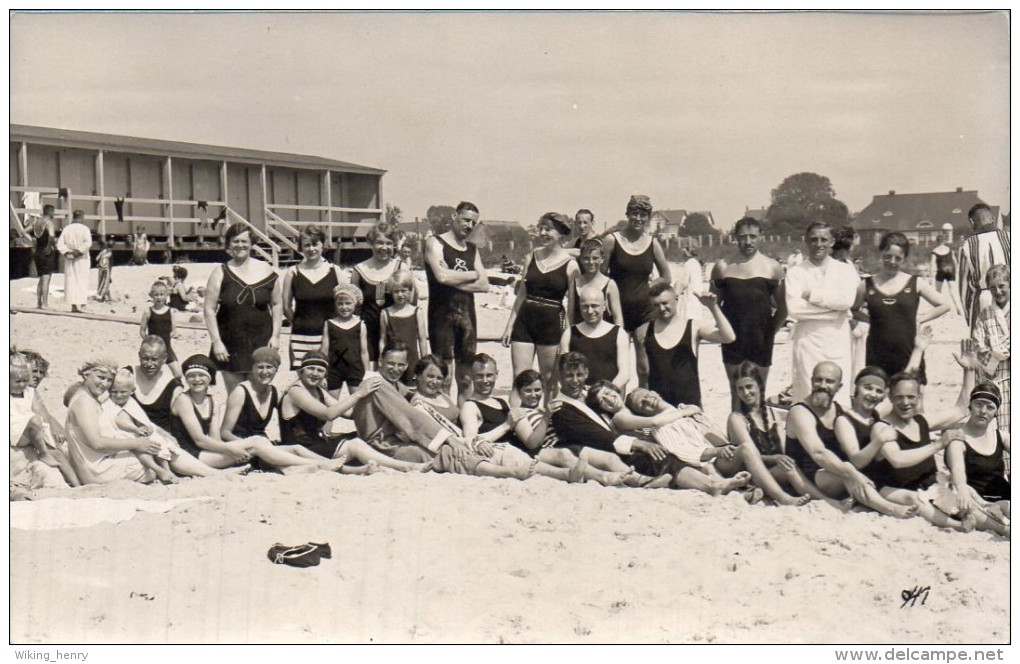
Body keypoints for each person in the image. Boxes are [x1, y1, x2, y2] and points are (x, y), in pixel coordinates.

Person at [169, 353, 345, 474]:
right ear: (185, 378)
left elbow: (215, 437)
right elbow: (199, 439)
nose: (197, 380)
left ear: (210, 379)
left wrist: (233, 450)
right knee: (257, 443)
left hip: (212, 452)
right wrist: (233, 449)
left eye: (202, 375)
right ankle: (319, 464)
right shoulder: (183, 400)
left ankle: (332, 466)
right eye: (191, 376)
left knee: (295, 448)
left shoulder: (212, 400)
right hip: (192, 456)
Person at [586, 381, 756, 497]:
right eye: (603, 400)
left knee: (690, 459)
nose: (609, 399)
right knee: (678, 462)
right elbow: (654, 421)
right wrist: (684, 411)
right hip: (648, 458)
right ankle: (717, 485)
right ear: (601, 407)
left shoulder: (631, 410)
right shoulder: (619, 417)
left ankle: (729, 486)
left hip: (658, 452)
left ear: (615, 389)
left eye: (608, 393)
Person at [868, 363, 981, 532]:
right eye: (899, 397)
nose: (905, 403)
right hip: (892, 489)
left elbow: (961, 410)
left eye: (911, 397)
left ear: (919, 398)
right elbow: (897, 460)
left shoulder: (921, 421)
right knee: (915, 499)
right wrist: (938, 444)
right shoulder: (882, 427)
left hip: (928, 485)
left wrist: (969, 371)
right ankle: (957, 526)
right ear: (890, 397)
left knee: (968, 500)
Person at [275, 350, 425, 473]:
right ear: (300, 372)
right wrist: (359, 393)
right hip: (300, 447)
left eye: (320, 370)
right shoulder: (296, 391)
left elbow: (350, 414)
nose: (315, 373)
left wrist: (377, 403)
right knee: (355, 445)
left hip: (316, 442)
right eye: (310, 369)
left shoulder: (318, 391)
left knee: (359, 436)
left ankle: (383, 463)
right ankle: (403, 466)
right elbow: (329, 414)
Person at [550, 352, 674, 488]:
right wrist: (638, 443)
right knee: (664, 462)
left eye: (579, 375)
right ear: (559, 376)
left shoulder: (591, 393)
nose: (575, 380)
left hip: (622, 442)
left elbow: (620, 408)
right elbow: (597, 437)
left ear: (586, 373)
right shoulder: (560, 409)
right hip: (605, 452)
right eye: (569, 375)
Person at [351, 342, 475, 462]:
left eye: (400, 365)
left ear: (406, 366)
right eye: (391, 363)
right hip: (381, 446)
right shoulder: (377, 384)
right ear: (380, 361)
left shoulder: (392, 383)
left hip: (391, 441)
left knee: (443, 452)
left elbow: (406, 393)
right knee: (440, 455)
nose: (396, 369)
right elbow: (410, 415)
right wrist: (450, 439)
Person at [711, 216, 787, 411]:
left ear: (761, 236)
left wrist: (769, 333)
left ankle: (761, 435)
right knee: (736, 390)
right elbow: (715, 305)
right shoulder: (722, 267)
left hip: (761, 339)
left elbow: (783, 310)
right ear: (735, 237)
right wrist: (724, 333)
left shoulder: (773, 268)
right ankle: (737, 437)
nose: (748, 241)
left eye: (753, 236)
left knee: (758, 391)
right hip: (732, 339)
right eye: (743, 236)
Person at [854, 232, 949, 387]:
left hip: (909, 352)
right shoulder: (866, 285)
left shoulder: (915, 282)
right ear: (881, 253)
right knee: (878, 398)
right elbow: (854, 310)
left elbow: (944, 305)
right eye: (887, 256)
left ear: (904, 258)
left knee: (913, 399)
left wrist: (919, 319)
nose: (892, 262)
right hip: (877, 353)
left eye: (898, 258)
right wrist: (873, 320)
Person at [504, 369, 630, 486]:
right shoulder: (519, 413)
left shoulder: (542, 410)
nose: (533, 395)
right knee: (566, 455)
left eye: (537, 390)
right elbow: (532, 443)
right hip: (544, 451)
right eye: (528, 390)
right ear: (519, 392)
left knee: (609, 458)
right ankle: (603, 477)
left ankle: (638, 479)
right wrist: (546, 417)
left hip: (564, 445)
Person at [501, 212, 579, 400]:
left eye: (548, 229)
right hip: (525, 321)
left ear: (560, 233)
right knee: (520, 379)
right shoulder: (532, 257)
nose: (543, 233)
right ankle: (516, 425)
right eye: (540, 228)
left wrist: (566, 338)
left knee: (549, 381)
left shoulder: (571, 265)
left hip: (551, 324)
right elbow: (521, 293)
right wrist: (510, 325)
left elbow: (571, 307)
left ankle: (548, 424)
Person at [829, 365, 922, 518]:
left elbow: (901, 387)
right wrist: (878, 441)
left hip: (872, 482)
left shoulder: (877, 416)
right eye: (868, 388)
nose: (873, 394)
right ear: (856, 389)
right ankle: (890, 509)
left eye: (879, 391)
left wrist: (918, 349)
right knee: (851, 474)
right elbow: (856, 461)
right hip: (843, 477)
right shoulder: (844, 420)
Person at [784, 221, 861, 404]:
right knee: (806, 391)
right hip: (807, 340)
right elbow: (794, 309)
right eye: (813, 239)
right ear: (806, 241)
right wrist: (835, 312)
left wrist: (812, 295)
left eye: (823, 239)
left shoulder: (845, 270)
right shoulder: (796, 272)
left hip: (837, 338)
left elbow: (846, 301)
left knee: (838, 394)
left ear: (832, 242)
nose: (818, 244)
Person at [783, 361, 876, 510]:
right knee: (849, 477)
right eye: (819, 380)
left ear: (839, 387)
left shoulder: (841, 411)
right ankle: (888, 508)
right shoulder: (800, 412)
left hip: (834, 471)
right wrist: (852, 473)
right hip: (808, 477)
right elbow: (818, 453)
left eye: (830, 382)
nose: (823, 385)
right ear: (812, 381)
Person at [204, 222, 283, 396]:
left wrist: (276, 336)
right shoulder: (220, 272)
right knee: (235, 395)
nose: (240, 245)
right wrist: (217, 342)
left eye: (244, 241)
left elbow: (277, 304)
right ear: (229, 244)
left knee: (259, 392)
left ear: (251, 244)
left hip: (261, 339)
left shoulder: (267, 270)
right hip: (230, 341)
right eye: (235, 241)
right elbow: (209, 309)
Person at [601, 195, 671, 388]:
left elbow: (666, 275)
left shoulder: (652, 243)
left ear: (648, 218)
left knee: (644, 367)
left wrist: (651, 286)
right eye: (634, 213)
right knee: (617, 366)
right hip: (617, 311)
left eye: (643, 215)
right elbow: (600, 276)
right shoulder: (612, 240)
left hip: (644, 311)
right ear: (627, 214)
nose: (638, 219)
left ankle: (643, 401)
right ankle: (615, 407)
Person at [424, 201, 489, 401]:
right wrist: (472, 274)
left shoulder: (472, 248)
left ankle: (464, 420)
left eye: (473, 223)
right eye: (466, 220)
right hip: (441, 316)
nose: (469, 226)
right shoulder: (435, 242)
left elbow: (484, 285)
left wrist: (453, 277)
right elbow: (440, 278)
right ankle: (445, 420)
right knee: (445, 376)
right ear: (454, 216)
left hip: (467, 317)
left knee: (466, 378)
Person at [63, 359, 166, 485]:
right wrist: (136, 444)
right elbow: (97, 443)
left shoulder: (89, 398)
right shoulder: (84, 403)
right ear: (86, 375)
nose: (105, 384)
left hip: (98, 463)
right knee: (149, 466)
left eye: (109, 380)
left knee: (152, 450)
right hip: (97, 471)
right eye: (100, 378)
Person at [726, 361, 813, 506]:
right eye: (740, 389)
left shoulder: (773, 413)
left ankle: (823, 496)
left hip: (773, 471)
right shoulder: (737, 419)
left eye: (749, 387)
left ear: (759, 385)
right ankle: (787, 499)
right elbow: (750, 456)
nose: (746, 393)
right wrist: (776, 458)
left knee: (792, 463)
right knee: (788, 468)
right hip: (753, 474)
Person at [646, 280, 735, 408]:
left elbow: (729, 337)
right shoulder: (645, 331)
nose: (661, 308)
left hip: (690, 406)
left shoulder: (693, 326)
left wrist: (713, 307)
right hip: (658, 408)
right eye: (655, 305)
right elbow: (643, 371)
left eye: (665, 303)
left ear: (676, 299)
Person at [943, 383, 1010, 536]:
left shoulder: (1001, 436)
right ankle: (1007, 531)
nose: (983, 411)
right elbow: (957, 469)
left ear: (996, 413)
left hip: (1002, 498)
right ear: (970, 406)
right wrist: (961, 488)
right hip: (972, 500)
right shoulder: (958, 439)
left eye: (990, 407)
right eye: (978, 404)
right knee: (963, 501)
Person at [281, 226, 345, 366]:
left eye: (315, 244)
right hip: (301, 337)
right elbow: (286, 307)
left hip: (330, 336)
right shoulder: (292, 273)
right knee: (304, 382)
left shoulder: (335, 271)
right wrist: (300, 322)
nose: (311, 249)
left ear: (322, 245)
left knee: (328, 381)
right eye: (307, 245)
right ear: (301, 247)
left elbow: (347, 302)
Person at [10, 358, 77, 489]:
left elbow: (43, 414)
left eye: (24, 380)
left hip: (30, 431)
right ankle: (43, 453)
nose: (21, 384)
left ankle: (77, 484)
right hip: (15, 432)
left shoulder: (29, 392)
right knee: (35, 420)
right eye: (17, 381)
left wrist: (51, 433)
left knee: (58, 453)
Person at [351, 222, 407, 366]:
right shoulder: (359, 270)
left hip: (395, 332)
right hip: (369, 333)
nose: (384, 248)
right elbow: (353, 308)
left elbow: (411, 302)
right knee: (372, 377)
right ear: (371, 243)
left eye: (389, 243)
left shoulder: (400, 268)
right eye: (379, 243)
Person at [559, 286, 629, 389]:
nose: (590, 311)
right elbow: (562, 371)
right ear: (580, 306)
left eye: (594, 306)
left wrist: (605, 391)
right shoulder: (569, 334)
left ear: (604, 306)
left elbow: (625, 373)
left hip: (608, 395)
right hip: (578, 395)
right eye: (585, 306)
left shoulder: (619, 333)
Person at [958, 203, 1010, 331]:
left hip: (983, 299)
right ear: (992, 218)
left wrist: (967, 312)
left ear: (971, 222)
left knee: (983, 344)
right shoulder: (1009, 237)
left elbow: (963, 285)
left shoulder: (968, 245)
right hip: (1008, 293)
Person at [971, 264, 1010, 431]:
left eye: (1002, 286)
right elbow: (978, 344)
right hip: (996, 377)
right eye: (993, 288)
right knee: (999, 427)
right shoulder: (984, 315)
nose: (998, 292)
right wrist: (997, 353)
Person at [379, 270, 428, 384]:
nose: (400, 294)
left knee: (411, 390)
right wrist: (382, 360)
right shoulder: (386, 313)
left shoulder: (417, 312)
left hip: (412, 361)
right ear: (391, 292)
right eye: (396, 291)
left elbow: (422, 339)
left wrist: (424, 362)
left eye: (404, 291)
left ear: (410, 291)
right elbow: (382, 340)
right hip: (393, 362)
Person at [321, 283, 370, 397]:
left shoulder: (360, 324)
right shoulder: (329, 324)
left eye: (348, 303)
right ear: (335, 305)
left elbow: (364, 351)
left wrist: (368, 373)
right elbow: (324, 350)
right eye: (340, 304)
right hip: (333, 370)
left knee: (359, 402)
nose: (344, 307)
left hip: (355, 369)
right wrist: (323, 372)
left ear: (355, 304)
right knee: (331, 404)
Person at [566, 238, 623, 326]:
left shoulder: (610, 284)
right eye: (586, 258)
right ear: (580, 259)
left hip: (603, 336)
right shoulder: (575, 284)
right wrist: (567, 336)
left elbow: (618, 317)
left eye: (595, 258)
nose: (591, 262)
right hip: (580, 336)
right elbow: (570, 317)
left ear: (602, 259)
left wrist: (619, 337)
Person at [132, 336, 181, 432]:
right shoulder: (128, 374)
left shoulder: (173, 387)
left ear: (164, 358)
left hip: (159, 440)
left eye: (154, 359)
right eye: (145, 358)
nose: (149, 364)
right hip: (128, 434)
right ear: (139, 356)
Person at [140, 280, 182, 379]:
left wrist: (170, 336)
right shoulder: (148, 311)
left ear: (166, 295)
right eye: (156, 295)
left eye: (162, 294)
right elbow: (142, 330)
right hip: (152, 349)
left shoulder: (170, 311)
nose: (159, 297)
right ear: (152, 296)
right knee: (150, 374)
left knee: (178, 374)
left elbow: (174, 330)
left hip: (167, 348)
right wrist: (148, 343)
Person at [55, 209, 92, 314]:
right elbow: (88, 243)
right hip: (81, 257)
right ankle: (83, 304)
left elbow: (60, 244)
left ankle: (74, 306)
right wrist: (78, 252)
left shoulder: (67, 229)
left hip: (70, 257)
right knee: (82, 280)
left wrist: (66, 253)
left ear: (73, 217)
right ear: (82, 217)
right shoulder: (85, 229)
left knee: (71, 280)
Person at [29, 204, 58, 309]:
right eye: (53, 212)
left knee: (41, 278)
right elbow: (51, 235)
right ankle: (45, 304)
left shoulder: (36, 222)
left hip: (38, 251)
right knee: (46, 278)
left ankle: (38, 303)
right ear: (50, 212)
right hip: (46, 252)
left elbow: (23, 232)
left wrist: (32, 241)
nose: (54, 214)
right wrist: (50, 246)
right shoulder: (49, 223)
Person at [929, 235, 962, 315]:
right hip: (950, 271)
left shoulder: (935, 251)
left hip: (940, 271)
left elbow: (932, 263)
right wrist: (957, 271)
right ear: (944, 241)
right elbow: (955, 261)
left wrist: (931, 276)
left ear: (937, 241)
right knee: (953, 291)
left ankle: (939, 309)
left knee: (938, 292)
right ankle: (958, 308)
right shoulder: (950, 250)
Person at [94, 236, 113, 303]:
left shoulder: (102, 252)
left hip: (101, 268)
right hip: (105, 268)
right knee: (105, 283)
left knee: (101, 282)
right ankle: (101, 296)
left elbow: (96, 259)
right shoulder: (109, 253)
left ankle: (108, 297)